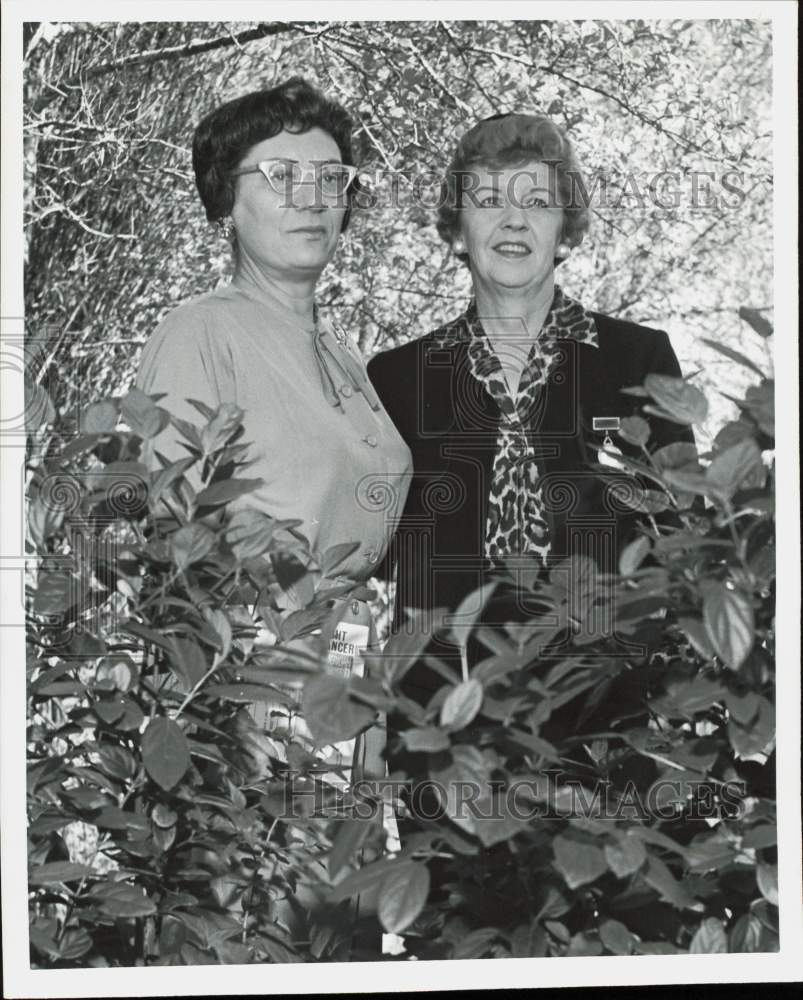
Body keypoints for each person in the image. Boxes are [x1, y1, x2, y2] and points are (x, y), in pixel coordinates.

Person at [135, 77, 412, 957]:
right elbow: (177, 528)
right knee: (254, 932)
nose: (311, 198)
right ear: (226, 195)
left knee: (339, 935)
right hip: (254, 695)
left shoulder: (343, 355)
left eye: (331, 180)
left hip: (349, 699)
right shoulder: (200, 332)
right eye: (281, 174)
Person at [368, 111, 695, 711]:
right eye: (489, 198)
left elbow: (677, 539)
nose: (514, 220)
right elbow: (370, 552)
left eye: (538, 202)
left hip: (606, 719)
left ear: (565, 231)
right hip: (441, 721)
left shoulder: (637, 360)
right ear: (458, 229)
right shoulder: (393, 380)